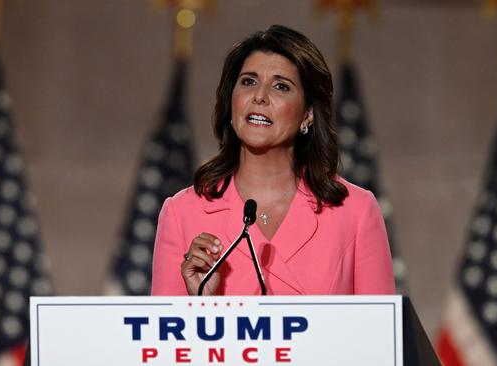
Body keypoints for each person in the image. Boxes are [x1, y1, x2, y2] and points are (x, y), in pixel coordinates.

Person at [151, 25, 395, 296]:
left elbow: (381, 333)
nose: (259, 96)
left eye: (281, 86)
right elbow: (162, 336)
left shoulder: (356, 212)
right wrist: (199, 306)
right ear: (231, 101)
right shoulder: (181, 213)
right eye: (249, 82)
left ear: (308, 115)